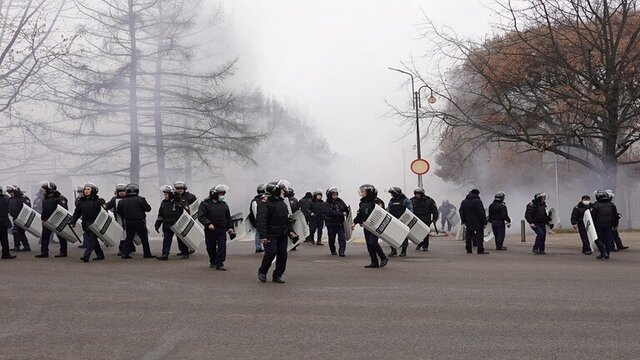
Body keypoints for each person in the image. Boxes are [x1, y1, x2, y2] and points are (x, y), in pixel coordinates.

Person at [257, 180, 297, 283]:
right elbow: (261, 221)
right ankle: (262, 271)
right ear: (275, 190)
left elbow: (285, 219)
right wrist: (263, 236)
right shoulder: (265, 203)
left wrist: (290, 231)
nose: (284, 191)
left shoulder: (282, 202)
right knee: (271, 252)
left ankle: (278, 275)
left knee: (283, 255)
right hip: (271, 233)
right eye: (281, 189)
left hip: (282, 233)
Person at [198, 184, 235, 270]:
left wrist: (230, 228)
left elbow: (228, 217)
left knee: (222, 246)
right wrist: (208, 224)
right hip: (210, 229)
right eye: (220, 194)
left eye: (223, 194)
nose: (222, 196)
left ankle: (220, 263)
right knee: (210, 246)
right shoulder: (205, 204)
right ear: (214, 194)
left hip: (221, 229)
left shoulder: (224, 204)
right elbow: (201, 216)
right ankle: (213, 260)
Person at [352, 184, 388, 268]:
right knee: (369, 244)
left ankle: (383, 257)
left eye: (363, 191)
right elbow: (360, 214)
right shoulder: (362, 202)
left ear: (369, 192)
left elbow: (381, 214)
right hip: (366, 226)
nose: (361, 193)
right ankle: (374, 262)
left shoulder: (377, 202)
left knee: (373, 242)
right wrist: (354, 222)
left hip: (375, 227)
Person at [70, 183, 106, 262]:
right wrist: (73, 221)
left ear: (93, 190)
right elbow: (77, 213)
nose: (86, 191)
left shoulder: (98, 201)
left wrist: (103, 204)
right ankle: (100, 255)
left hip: (95, 224)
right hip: (86, 224)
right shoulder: (81, 202)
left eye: (88, 189)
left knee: (91, 240)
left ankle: (86, 256)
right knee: (94, 241)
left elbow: (105, 211)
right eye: (85, 189)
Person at [117, 183, 154, 259]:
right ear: (137, 191)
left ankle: (125, 253)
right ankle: (147, 254)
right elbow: (148, 209)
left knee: (129, 238)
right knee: (144, 238)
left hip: (128, 221)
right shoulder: (141, 199)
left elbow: (119, 211)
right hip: (139, 221)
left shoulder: (122, 201)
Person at [154, 185, 189, 260]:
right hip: (167, 224)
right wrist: (157, 224)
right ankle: (165, 254)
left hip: (178, 224)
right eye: (164, 194)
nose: (165, 196)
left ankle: (185, 253)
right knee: (166, 240)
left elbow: (187, 214)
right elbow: (160, 215)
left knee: (181, 239)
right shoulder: (164, 203)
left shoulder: (180, 202)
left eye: (166, 194)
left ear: (171, 194)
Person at [35, 182, 69, 258]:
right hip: (47, 221)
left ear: (50, 189)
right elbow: (44, 210)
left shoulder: (60, 198)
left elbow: (63, 210)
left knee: (61, 236)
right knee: (45, 236)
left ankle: (63, 252)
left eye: (44, 189)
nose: (42, 191)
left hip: (57, 221)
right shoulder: (45, 199)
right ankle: (44, 252)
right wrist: (43, 219)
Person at [104, 184, 136, 256]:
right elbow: (107, 206)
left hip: (129, 219)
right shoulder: (114, 200)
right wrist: (102, 205)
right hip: (119, 220)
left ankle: (128, 248)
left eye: (123, 191)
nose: (121, 192)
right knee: (122, 235)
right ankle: (123, 249)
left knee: (128, 234)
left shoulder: (130, 198)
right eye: (120, 191)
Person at [460, 189, 489, 254]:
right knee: (479, 236)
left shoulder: (464, 201)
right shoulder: (478, 201)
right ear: (477, 194)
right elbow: (481, 212)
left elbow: (461, 212)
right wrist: (484, 222)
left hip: (468, 222)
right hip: (478, 222)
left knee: (468, 236)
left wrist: (463, 221)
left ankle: (468, 250)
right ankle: (480, 250)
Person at [386, 187, 413, 257]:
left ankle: (403, 251)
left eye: (392, 193)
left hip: (402, 221)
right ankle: (393, 250)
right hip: (393, 221)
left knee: (403, 236)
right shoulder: (391, 201)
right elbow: (388, 209)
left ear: (396, 193)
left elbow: (410, 211)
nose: (391, 195)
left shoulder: (405, 200)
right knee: (391, 236)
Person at [591, 190, 618, 259]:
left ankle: (603, 252)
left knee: (597, 239)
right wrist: (615, 224)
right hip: (609, 225)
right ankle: (607, 253)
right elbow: (615, 216)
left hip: (598, 225)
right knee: (608, 239)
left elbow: (592, 217)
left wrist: (592, 226)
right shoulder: (612, 205)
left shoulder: (596, 205)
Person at [323, 187, 349, 257]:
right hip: (331, 224)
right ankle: (333, 250)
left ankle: (342, 251)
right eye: (333, 194)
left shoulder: (340, 201)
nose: (335, 196)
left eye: (336, 194)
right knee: (331, 238)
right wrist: (341, 214)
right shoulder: (326, 204)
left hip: (340, 223)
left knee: (342, 238)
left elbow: (345, 208)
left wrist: (348, 210)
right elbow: (329, 212)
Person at [411, 187, 438, 251]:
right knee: (416, 233)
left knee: (425, 233)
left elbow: (435, 210)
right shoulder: (412, 200)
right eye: (416, 194)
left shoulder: (429, 200)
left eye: (418, 194)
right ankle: (420, 243)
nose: (417, 195)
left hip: (426, 219)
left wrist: (434, 219)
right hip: (416, 219)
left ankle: (425, 245)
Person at [174, 181, 197, 256]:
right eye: (177, 188)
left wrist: (194, 217)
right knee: (179, 236)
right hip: (178, 219)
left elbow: (195, 207)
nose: (179, 190)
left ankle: (188, 250)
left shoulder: (191, 196)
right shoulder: (174, 197)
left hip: (188, 219)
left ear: (184, 188)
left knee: (187, 236)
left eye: (181, 188)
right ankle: (183, 250)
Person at [6, 185, 32, 252]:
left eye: (12, 192)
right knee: (20, 232)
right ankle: (26, 246)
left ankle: (17, 246)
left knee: (16, 231)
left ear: (16, 191)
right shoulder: (11, 199)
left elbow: (28, 208)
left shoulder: (23, 198)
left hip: (22, 218)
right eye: (9, 192)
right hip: (15, 218)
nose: (10, 193)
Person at [248, 184, 267, 253]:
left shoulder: (255, 200)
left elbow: (252, 211)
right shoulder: (263, 200)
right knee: (261, 233)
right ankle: (259, 247)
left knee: (258, 234)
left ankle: (258, 247)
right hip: (261, 220)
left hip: (258, 220)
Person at [0, 187, 17, 259]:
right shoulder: (5, 199)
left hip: (2, 221)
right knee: (4, 239)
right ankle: (5, 254)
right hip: (3, 221)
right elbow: (10, 208)